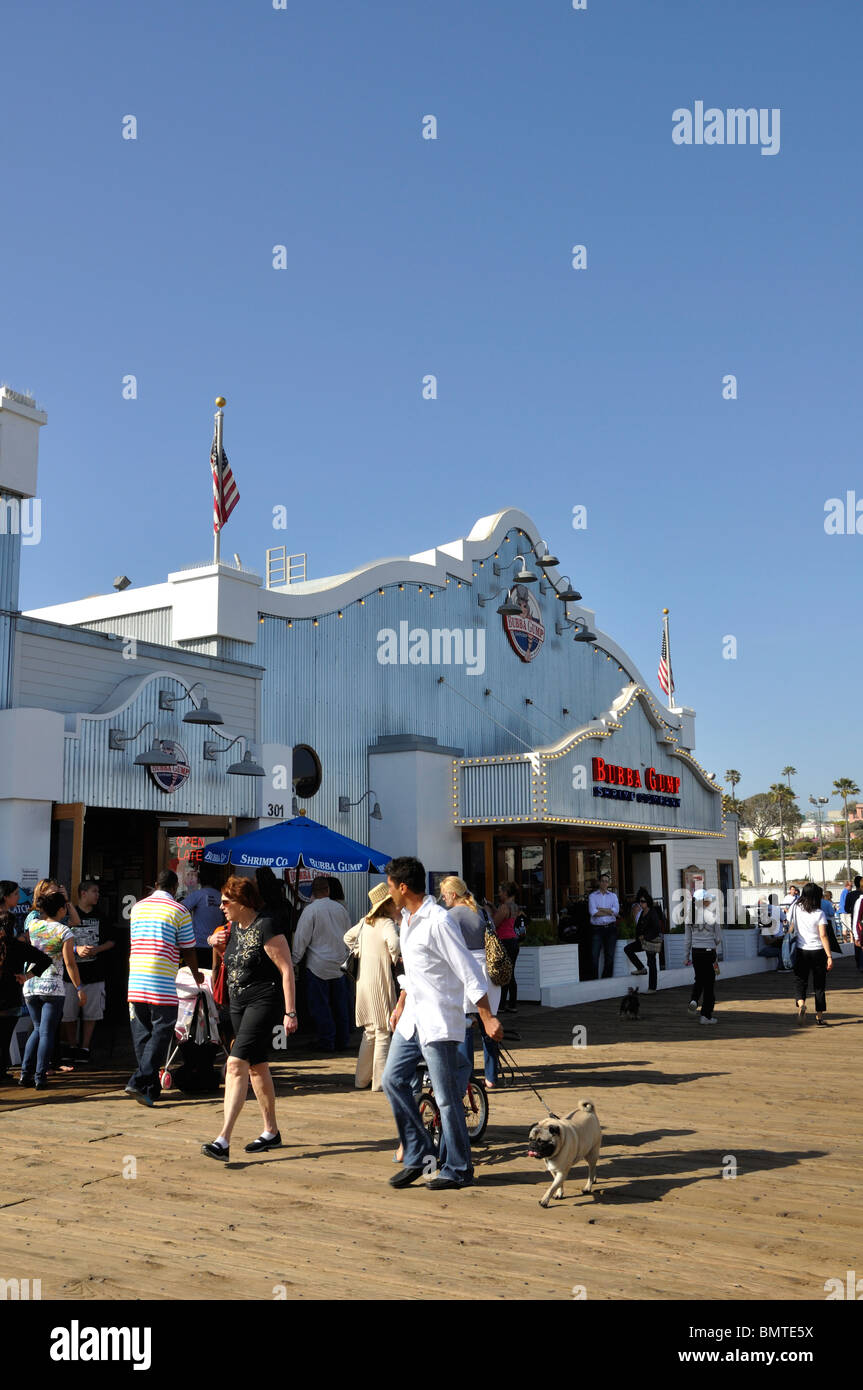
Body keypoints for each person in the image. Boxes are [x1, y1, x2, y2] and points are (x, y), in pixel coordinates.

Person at [382, 856, 503, 1191]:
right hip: (412, 1020)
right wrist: (400, 1003)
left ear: (402, 886)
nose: (389, 891)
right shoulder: (406, 920)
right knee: (392, 1080)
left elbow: (468, 969)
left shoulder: (438, 921)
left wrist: (487, 1015)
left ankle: (460, 1167)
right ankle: (421, 1155)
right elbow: (415, 974)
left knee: (448, 1099)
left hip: (438, 1020)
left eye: (390, 885)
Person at [202, 876, 298, 1161]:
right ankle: (271, 1131)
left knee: (234, 1065)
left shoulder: (266, 925)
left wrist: (290, 1011)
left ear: (243, 902)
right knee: (257, 1067)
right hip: (238, 1005)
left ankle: (223, 1140)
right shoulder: (233, 928)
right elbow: (221, 952)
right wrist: (211, 940)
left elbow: (287, 970)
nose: (221, 906)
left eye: (226, 901)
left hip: (263, 1002)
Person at [126, 870, 201, 1107]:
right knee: (162, 1031)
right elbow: (188, 948)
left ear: (155, 884)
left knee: (142, 1034)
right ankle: (139, 1081)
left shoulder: (138, 907)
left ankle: (150, 1089)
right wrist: (196, 972)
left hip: (136, 977)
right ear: (175, 887)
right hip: (161, 980)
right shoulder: (179, 910)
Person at [20, 890, 87, 1089]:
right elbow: (70, 963)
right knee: (47, 1032)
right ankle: (40, 1076)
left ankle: (25, 1073)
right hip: (52, 987)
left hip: (31, 986)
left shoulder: (33, 926)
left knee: (38, 1029)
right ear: (60, 909)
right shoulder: (64, 931)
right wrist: (79, 987)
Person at [440, 875, 501, 1088]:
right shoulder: (483, 911)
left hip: (466, 970)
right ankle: (492, 1077)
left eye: (445, 894)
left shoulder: (450, 916)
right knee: (489, 1023)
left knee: (465, 1025)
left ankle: (465, 1076)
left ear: (453, 894)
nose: (443, 898)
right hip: (488, 970)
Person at [343, 882, 401, 1091]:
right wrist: (394, 958)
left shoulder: (365, 922)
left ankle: (361, 1079)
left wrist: (360, 951)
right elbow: (394, 944)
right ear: (386, 904)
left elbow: (347, 937)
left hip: (364, 980)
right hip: (380, 979)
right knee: (383, 1030)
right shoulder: (386, 924)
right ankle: (379, 1082)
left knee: (370, 1032)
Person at [291, 877, 352, 1051]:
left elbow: (301, 939)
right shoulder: (341, 909)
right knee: (340, 1007)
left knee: (320, 1007)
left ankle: (327, 1041)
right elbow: (349, 936)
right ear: (328, 890)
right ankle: (343, 1040)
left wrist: (294, 960)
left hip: (317, 965)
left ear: (312, 892)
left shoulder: (310, 911)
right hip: (339, 964)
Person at [59, 880, 115, 1065]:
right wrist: (76, 949)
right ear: (83, 893)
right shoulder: (69, 914)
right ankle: (72, 1046)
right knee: (69, 1013)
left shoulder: (101, 916)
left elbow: (112, 941)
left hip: (95, 973)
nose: (97, 895)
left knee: (91, 1014)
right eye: (94, 891)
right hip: (71, 974)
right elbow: (59, 943)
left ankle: (84, 1047)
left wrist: (97, 950)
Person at [0, 899, 51, 1083]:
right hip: (11, 998)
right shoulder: (18, 946)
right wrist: (27, 976)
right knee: (5, 1039)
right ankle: (2, 1072)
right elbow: (45, 960)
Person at [791, 880, 834, 1025]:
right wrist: (829, 956)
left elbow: (790, 926)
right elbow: (823, 935)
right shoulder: (819, 913)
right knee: (819, 985)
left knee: (800, 981)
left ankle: (801, 1003)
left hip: (801, 950)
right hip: (817, 952)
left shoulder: (796, 908)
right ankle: (819, 1017)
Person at [684, 888, 722, 1024]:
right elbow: (718, 938)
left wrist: (686, 956)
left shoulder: (690, 916)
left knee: (699, 979)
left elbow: (687, 940)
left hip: (696, 952)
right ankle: (706, 1015)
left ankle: (694, 999)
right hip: (708, 952)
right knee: (709, 984)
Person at [181, 869, 224, 970]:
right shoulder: (221, 896)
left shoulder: (199, 894)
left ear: (200, 880)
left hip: (198, 945)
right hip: (216, 944)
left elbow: (180, 909)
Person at [622, 888, 663, 991]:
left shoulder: (652, 913)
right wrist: (638, 937)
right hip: (642, 941)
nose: (641, 903)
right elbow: (639, 927)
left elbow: (657, 928)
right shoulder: (642, 913)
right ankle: (641, 968)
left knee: (651, 963)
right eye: (640, 901)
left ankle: (652, 988)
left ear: (648, 902)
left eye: (643, 901)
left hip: (651, 941)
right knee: (628, 949)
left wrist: (645, 936)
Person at [494, 881, 521, 1013]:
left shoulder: (504, 907)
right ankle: (512, 1004)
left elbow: (495, 923)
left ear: (505, 893)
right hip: (514, 941)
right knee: (510, 973)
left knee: (504, 973)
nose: (499, 894)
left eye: (500, 891)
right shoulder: (515, 906)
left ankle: (501, 1004)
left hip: (504, 942)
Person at [588, 873, 620, 980]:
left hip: (611, 929)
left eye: (607, 881)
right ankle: (594, 980)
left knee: (610, 956)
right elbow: (593, 912)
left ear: (608, 883)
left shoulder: (613, 896)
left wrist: (600, 908)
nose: (605, 883)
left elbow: (616, 912)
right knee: (594, 956)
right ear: (599, 882)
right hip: (597, 929)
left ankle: (606, 980)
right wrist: (609, 911)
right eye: (602, 881)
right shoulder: (592, 896)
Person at [756, 892, 785, 968]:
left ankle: (783, 966)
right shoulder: (764, 927)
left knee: (782, 947)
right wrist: (778, 938)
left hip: (768, 948)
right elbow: (768, 942)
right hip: (763, 950)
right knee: (781, 950)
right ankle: (781, 967)